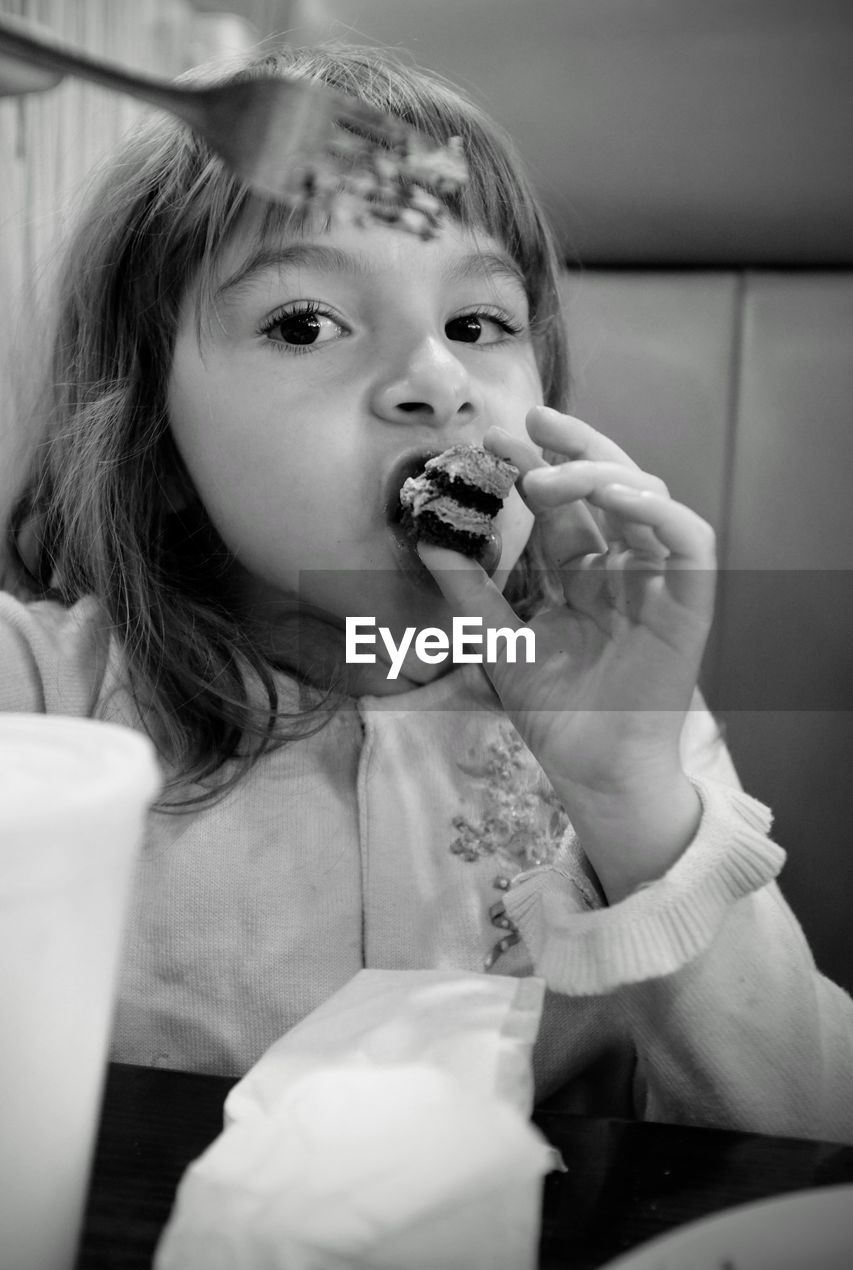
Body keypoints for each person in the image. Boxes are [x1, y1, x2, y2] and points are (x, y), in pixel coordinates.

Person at [1, 43, 851, 1141]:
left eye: (477, 324)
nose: (439, 382)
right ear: (153, 445)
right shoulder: (41, 698)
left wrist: (630, 794)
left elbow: (811, 1130)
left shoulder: (628, 716)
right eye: (305, 323)